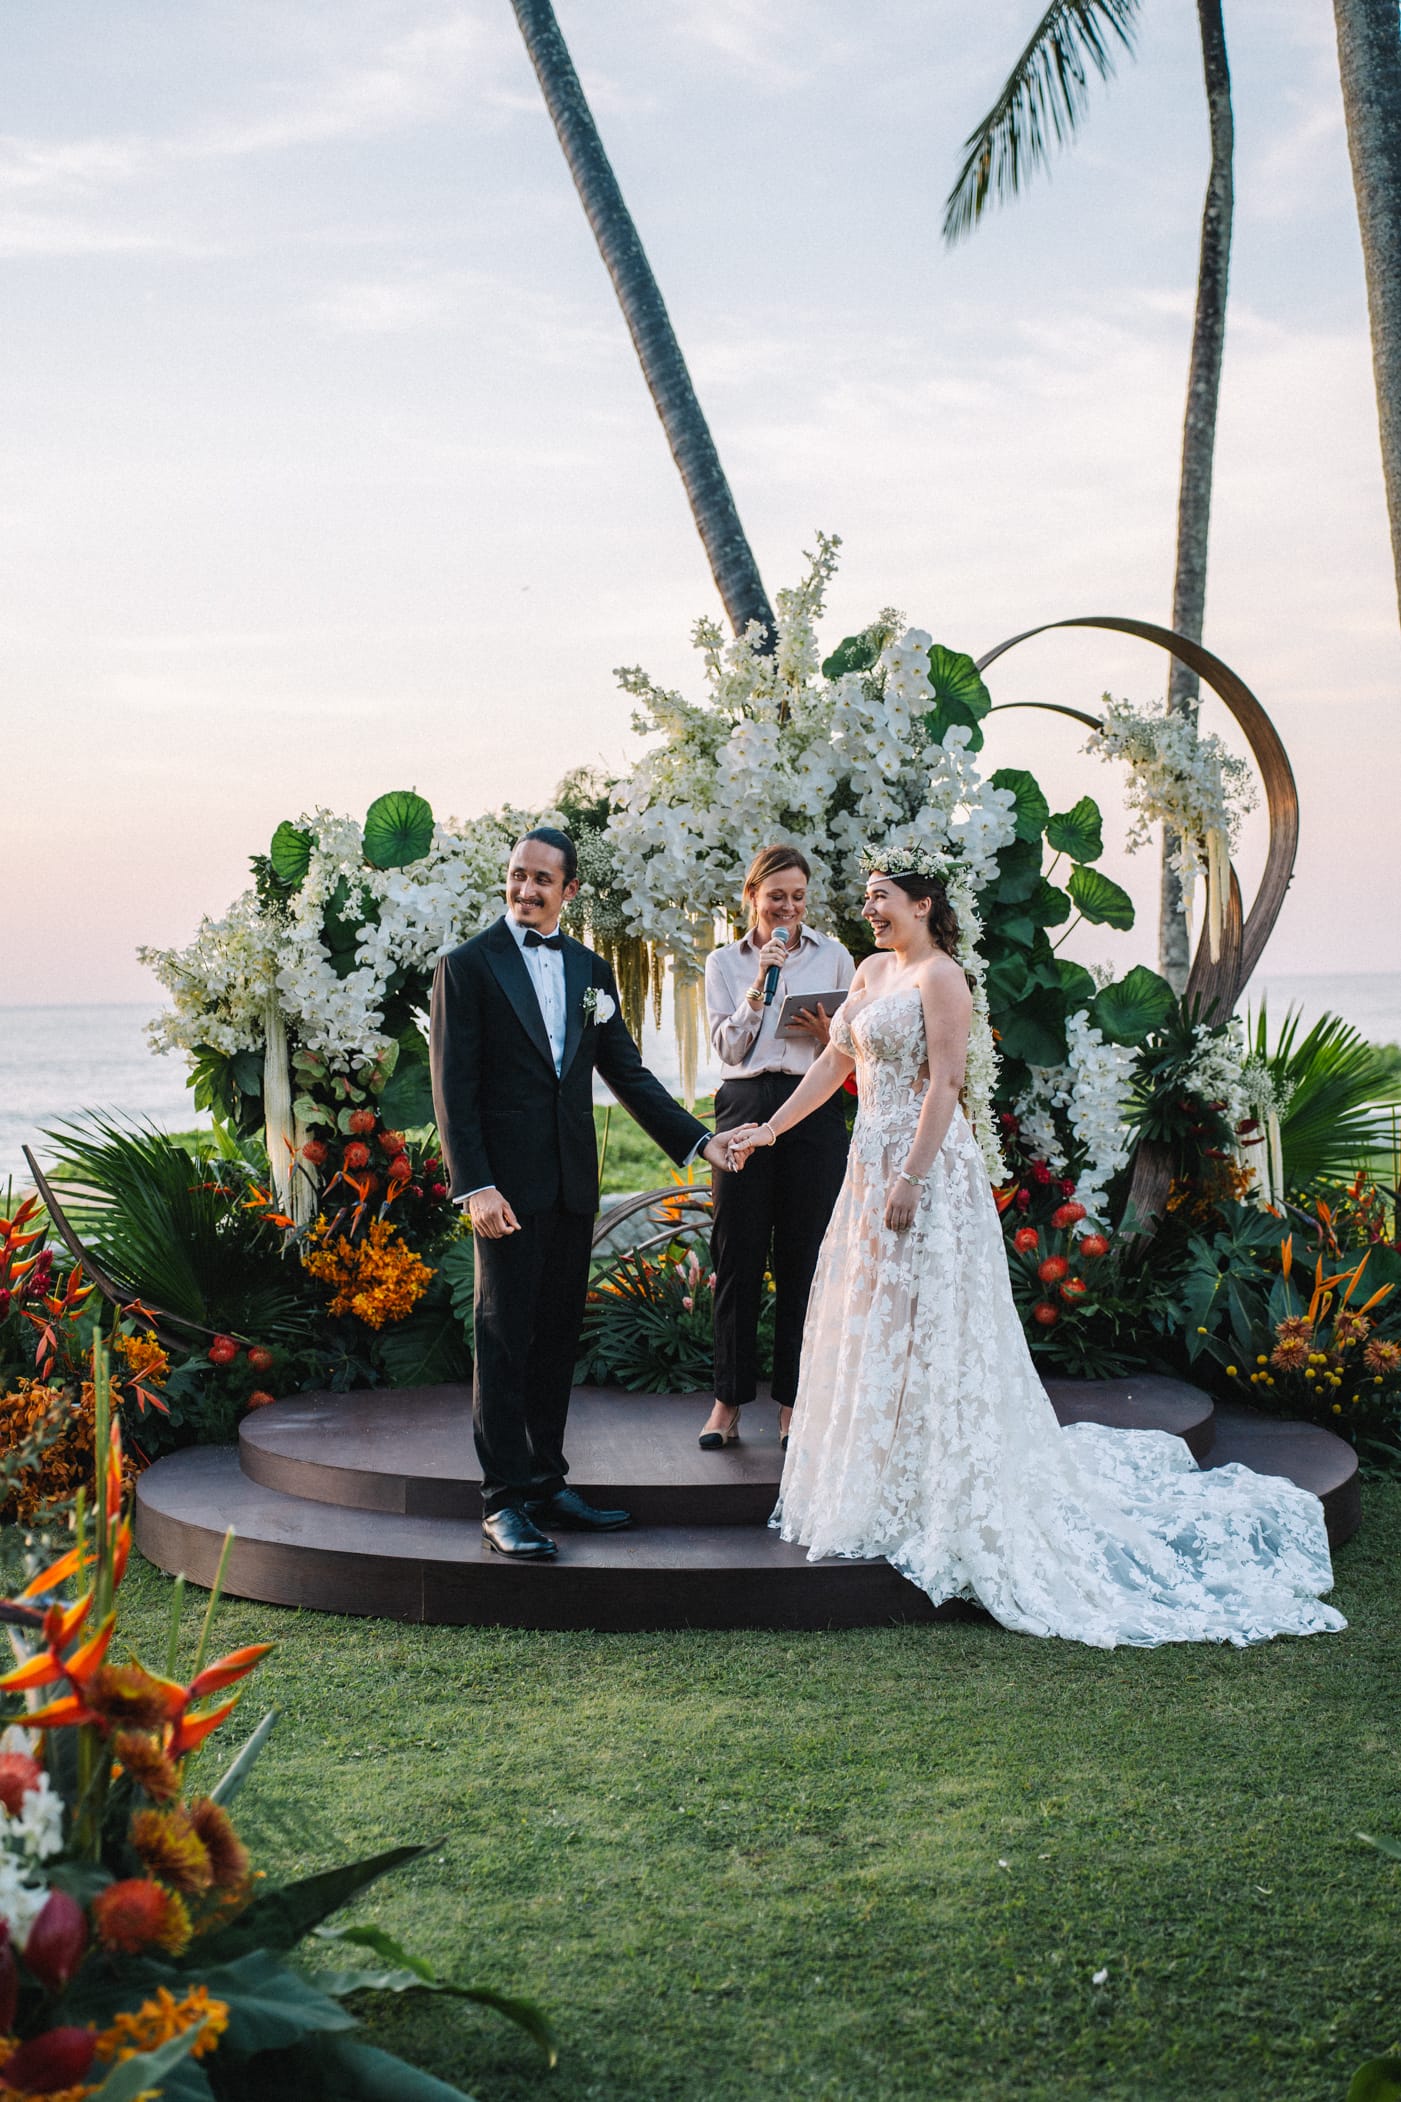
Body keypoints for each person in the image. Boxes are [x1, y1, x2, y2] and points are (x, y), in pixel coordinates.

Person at [725, 847, 1344, 1648]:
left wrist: (911, 1176)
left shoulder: (940, 978)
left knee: (934, 1327)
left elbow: (945, 1083)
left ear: (921, 904)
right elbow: (837, 1062)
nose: (869, 911)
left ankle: (946, 1492)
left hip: (924, 1172)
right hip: (863, 1168)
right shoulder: (868, 974)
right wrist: (768, 1130)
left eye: (882, 899)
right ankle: (882, 1487)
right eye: (869, 899)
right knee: (872, 1322)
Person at [431, 827, 732, 1562]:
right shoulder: (466, 967)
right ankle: (502, 1503)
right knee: (503, 1342)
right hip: (501, 1191)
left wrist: (701, 1142)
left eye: (542, 880)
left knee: (555, 1339)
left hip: (571, 1188)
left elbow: (626, 1074)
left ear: (568, 891)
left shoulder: (592, 971)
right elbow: (452, 1088)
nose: (525, 890)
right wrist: (475, 1185)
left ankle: (545, 1483)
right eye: (516, 876)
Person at [699, 846, 855, 1452]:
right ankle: (727, 1403)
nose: (788, 907)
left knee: (804, 1257)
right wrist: (758, 990)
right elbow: (728, 1051)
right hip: (742, 1108)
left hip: (812, 1107)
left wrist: (827, 1037)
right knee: (736, 1254)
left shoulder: (837, 956)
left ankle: (793, 1404)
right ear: (752, 898)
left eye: (798, 896)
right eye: (776, 896)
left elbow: (852, 1049)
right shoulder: (723, 963)